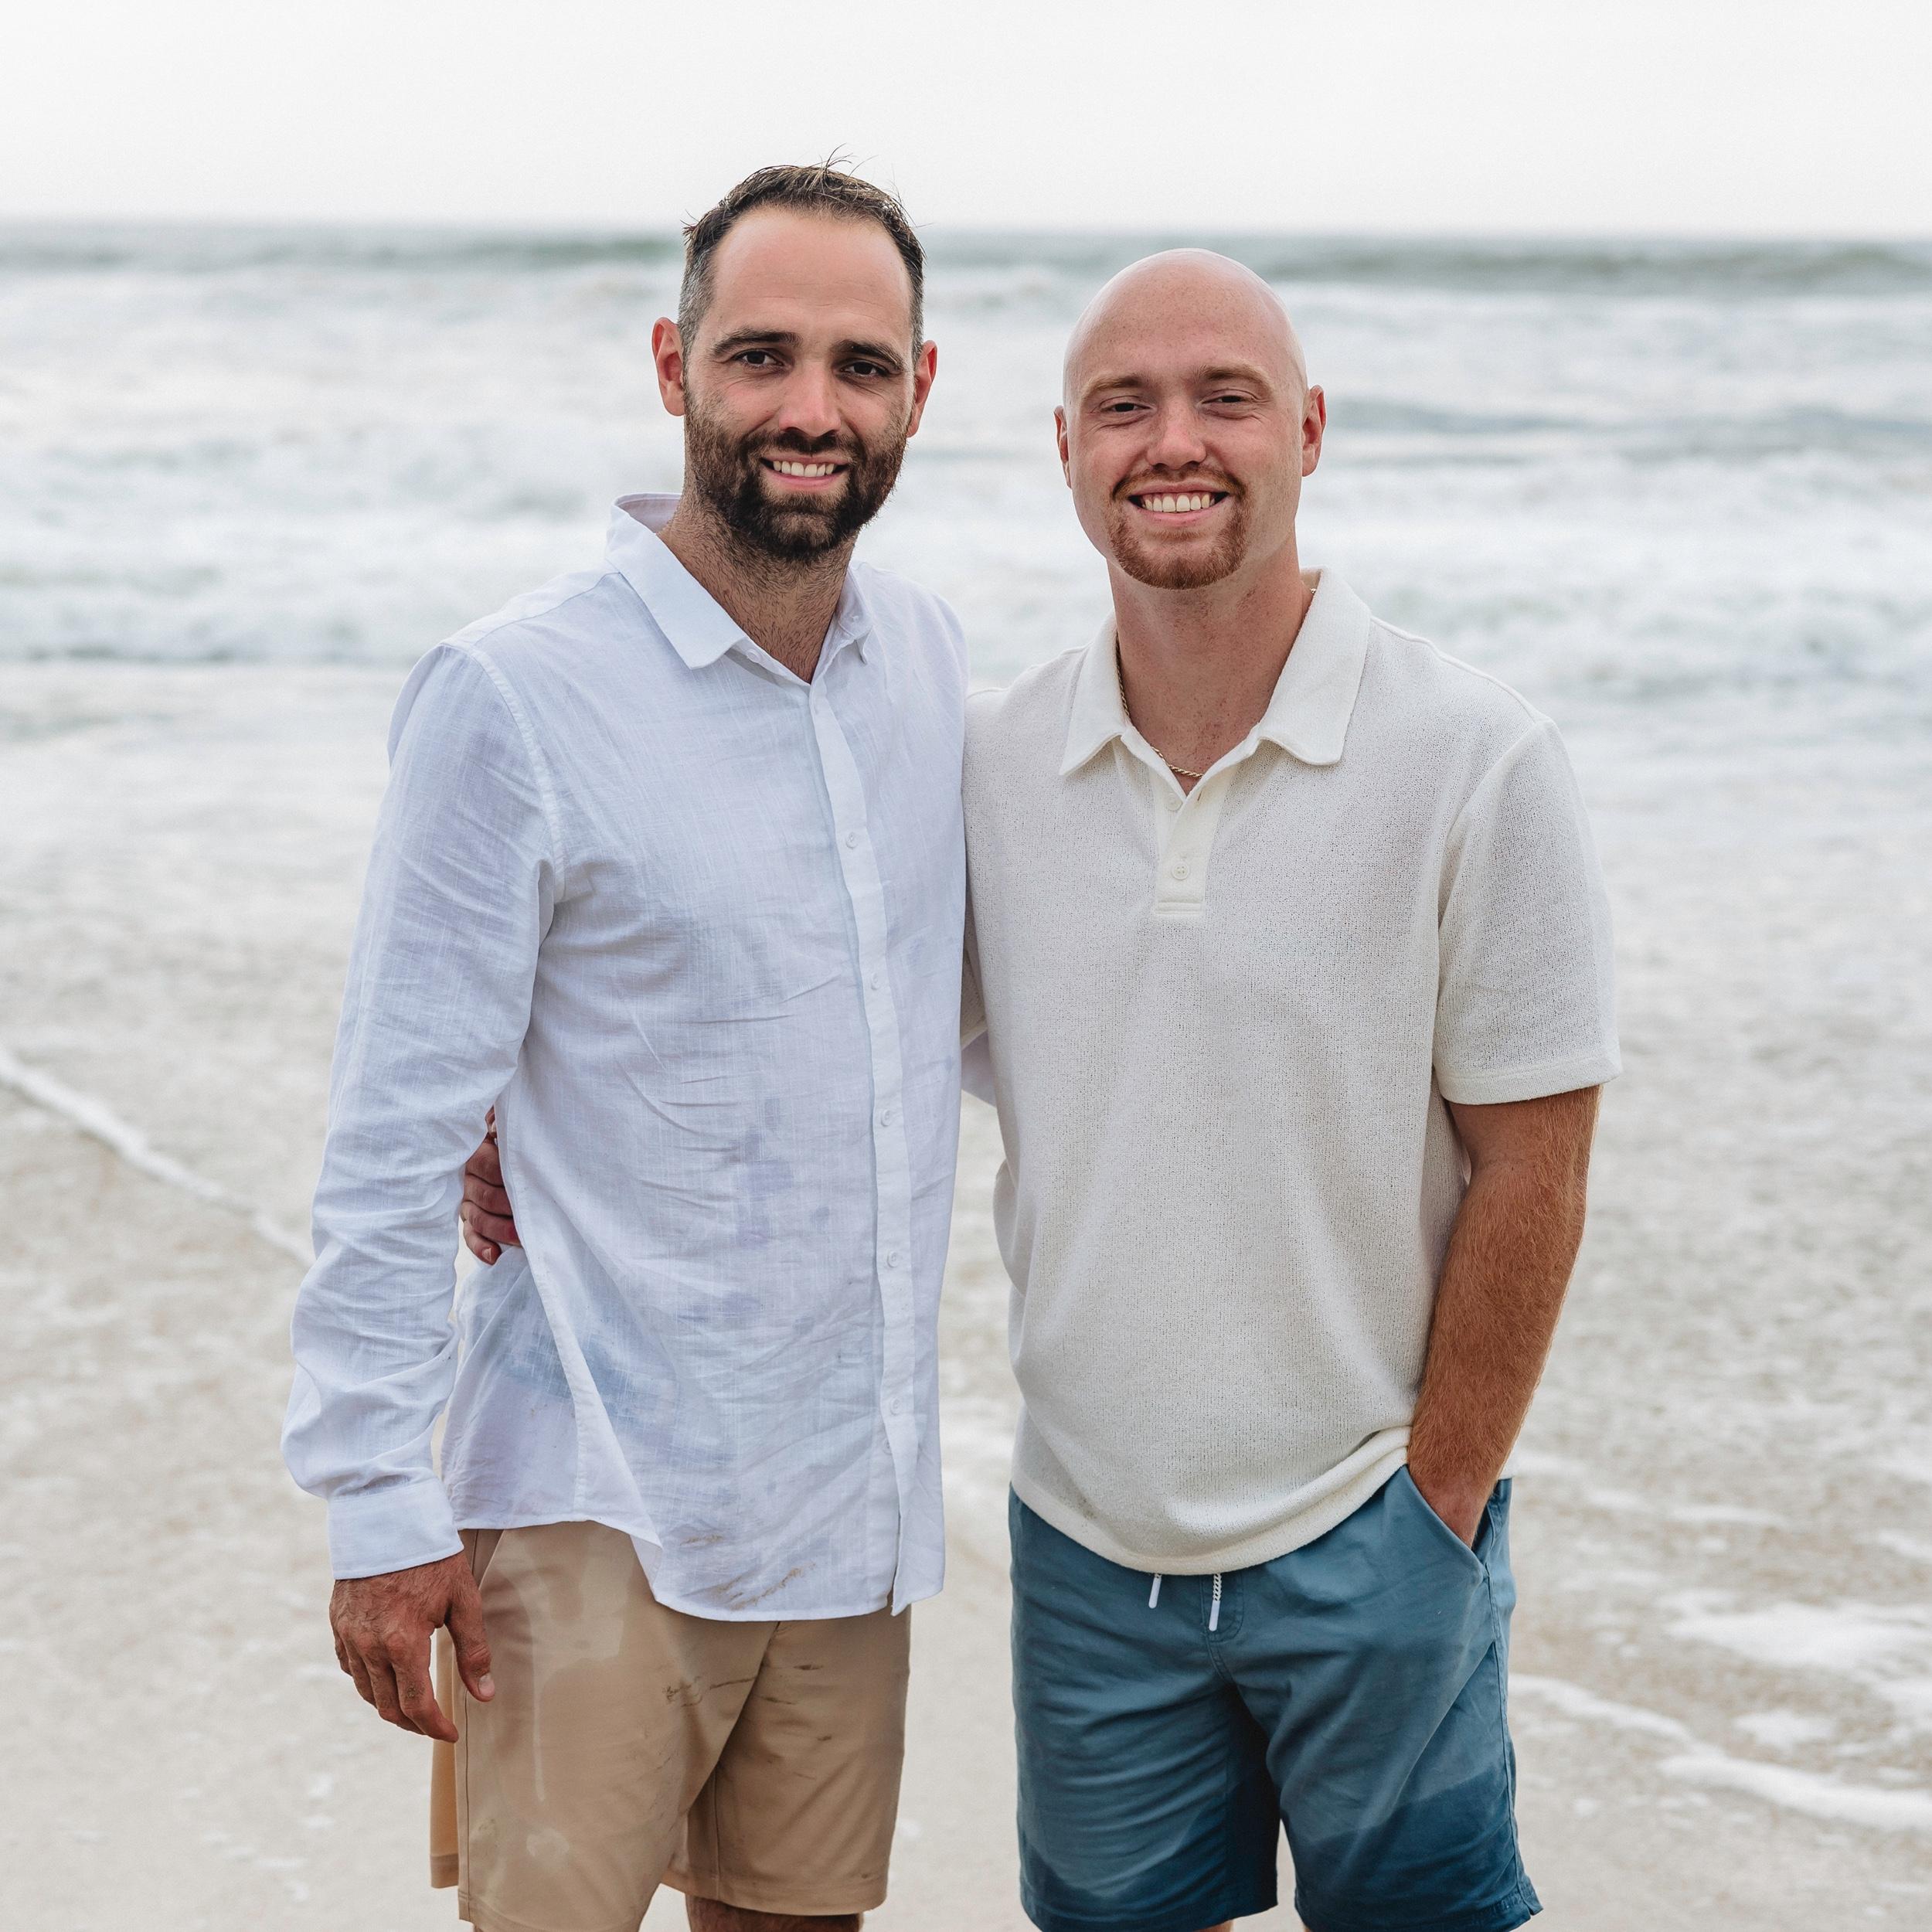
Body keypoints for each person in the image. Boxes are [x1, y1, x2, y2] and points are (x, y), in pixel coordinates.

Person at [461, 250, 1620, 1932]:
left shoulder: (1475, 757)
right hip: (1087, 1557)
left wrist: (1434, 1508)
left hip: (1370, 1531)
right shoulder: (987, 759)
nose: (1175, 442)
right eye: (1123, 406)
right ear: (1063, 449)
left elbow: (1536, 1169)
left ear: (1307, 429)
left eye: (1225, 399)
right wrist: (525, 1100)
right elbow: (810, 1007)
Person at [282, 163, 964, 1932]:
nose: (810, 408)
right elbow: (389, 1124)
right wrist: (375, 1495)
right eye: (759, 355)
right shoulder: (514, 692)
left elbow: (943, 1011)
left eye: (858, 365)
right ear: (673, 367)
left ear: (917, 389)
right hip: (590, 1496)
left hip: (846, 1506)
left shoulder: (925, 666)